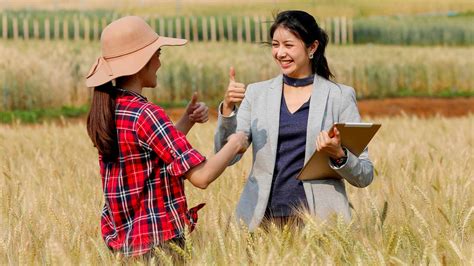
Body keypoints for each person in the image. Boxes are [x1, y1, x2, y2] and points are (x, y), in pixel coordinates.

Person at [85, 16, 248, 257]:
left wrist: (187, 120)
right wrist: (235, 143)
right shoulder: (147, 114)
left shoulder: (110, 109)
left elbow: (152, 155)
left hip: (127, 246)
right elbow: (201, 177)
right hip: (159, 245)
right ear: (142, 63)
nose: (160, 63)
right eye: (158, 54)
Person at [214, 10, 374, 230]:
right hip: (261, 222)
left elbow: (364, 175)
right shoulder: (256, 94)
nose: (280, 53)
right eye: (275, 45)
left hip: (320, 225)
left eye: (288, 45)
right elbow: (226, 156)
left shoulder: (339, 96)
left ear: (312, 48)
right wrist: (228, 109)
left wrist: (339, 154)